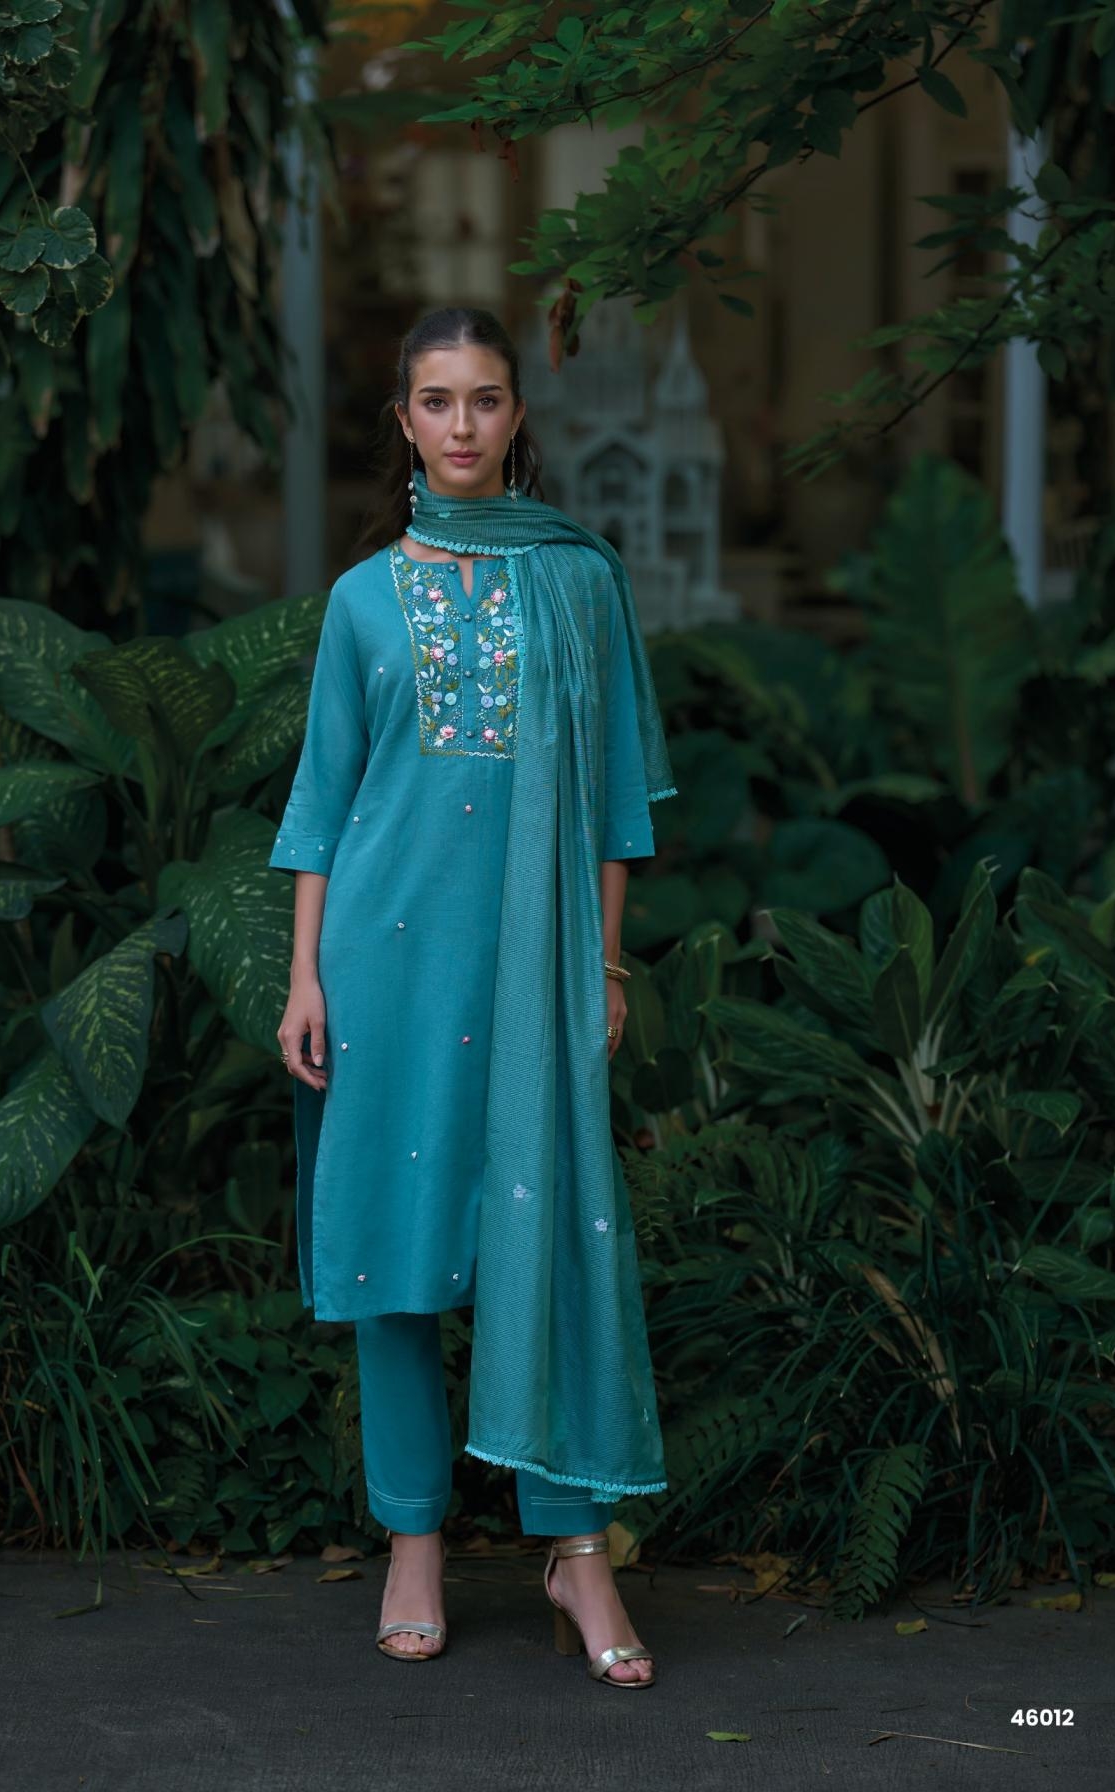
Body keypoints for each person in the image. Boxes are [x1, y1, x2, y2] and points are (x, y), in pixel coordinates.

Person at [271, 306, 677, 1688]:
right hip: (382, 960)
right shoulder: (361, 600)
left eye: (485, 398)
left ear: (517, 416)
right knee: (396, 1250)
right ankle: (413, 1541)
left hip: (533, 962)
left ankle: (577, 1551)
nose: (461, 424)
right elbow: (323, 802)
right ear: (403, 421)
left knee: (549, 1233)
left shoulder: (579, 581)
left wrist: (605, 965)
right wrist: (304, 974)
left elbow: (617, 803)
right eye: (436, 401)